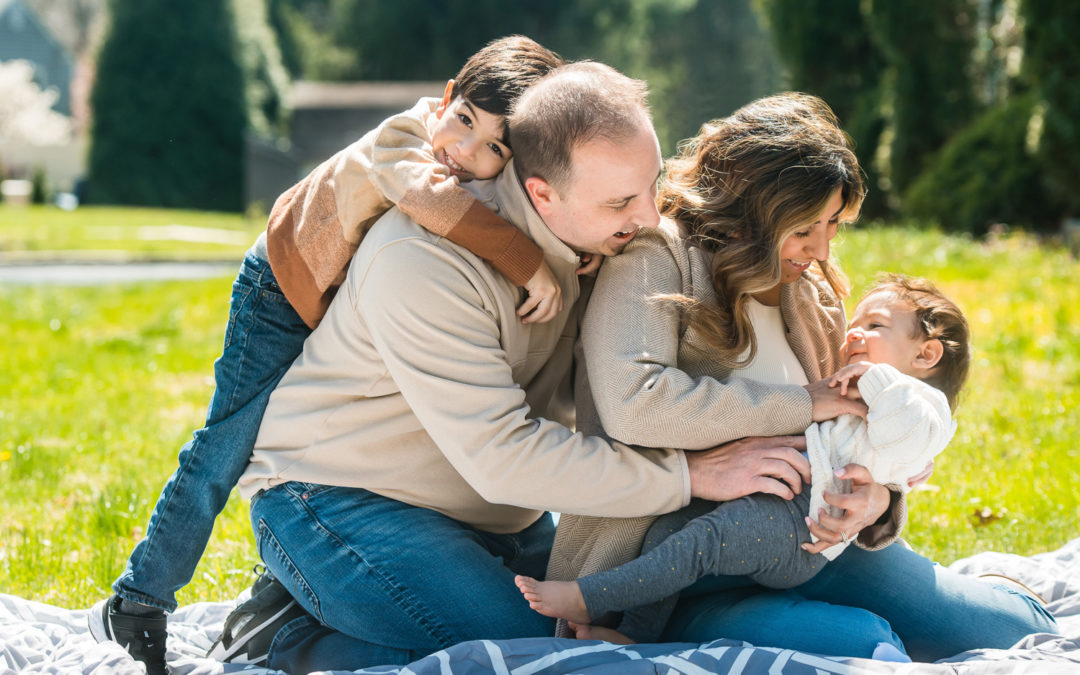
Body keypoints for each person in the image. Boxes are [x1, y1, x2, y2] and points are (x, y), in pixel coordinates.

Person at [202, 61, 786, 673]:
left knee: (598, 623)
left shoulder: (597, 238)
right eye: (621, 201)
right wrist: (689, 476)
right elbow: (505, 455)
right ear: (542, 194)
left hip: (497, 509)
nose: (648, 217)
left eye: (651, 185)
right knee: (537, 653)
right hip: (338, 499)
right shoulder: (422, 261)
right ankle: (282, 633)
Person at [88, 35, 571, 675]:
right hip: (281, 287)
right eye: (464, 122)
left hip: (334, 296)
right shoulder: (404, 139)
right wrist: (527, 261)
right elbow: (434, 201)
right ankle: (139, 597)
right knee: (228, 444)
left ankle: (292, 595)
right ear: (446, 99)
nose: (465, 152)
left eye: (495, 150)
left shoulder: (475, 173)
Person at [545, 92, 1056, 662]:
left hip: (803, 537)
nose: (821, 248)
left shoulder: (809, 289)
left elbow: (850, 424)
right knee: (860, 647)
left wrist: (878, 500)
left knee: (1008, 628)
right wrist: (803, 402)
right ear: (751, 208)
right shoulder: (658, 255)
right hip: (670, 560)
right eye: (804, 227)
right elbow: (633, 403)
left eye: (832, 224)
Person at [516, 274, 971, 645]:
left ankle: (589, 597)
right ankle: (635, 635)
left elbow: (908, 435)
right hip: (783, 501)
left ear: (926, 353)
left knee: (704, 542)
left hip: (802, 526)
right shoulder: (872, 385)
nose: (854, 331)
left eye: (874, 326)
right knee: (671, 533)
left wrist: (875, 387)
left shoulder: (921, 403)